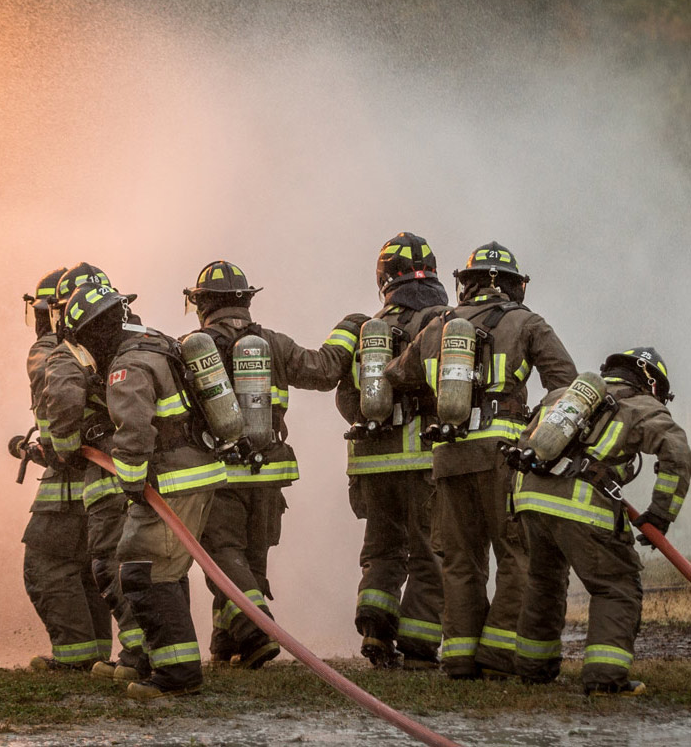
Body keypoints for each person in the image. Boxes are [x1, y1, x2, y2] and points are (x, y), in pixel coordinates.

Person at [385, 241, 577, 679]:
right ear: (514, 285)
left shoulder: (439, 327)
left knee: (459, 560)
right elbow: (564, 385)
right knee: (517, 555)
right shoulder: (527, 323)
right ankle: (497, 656)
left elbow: (397, 374)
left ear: (466, 284)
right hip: (504, 456)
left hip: (448, 456)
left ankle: (459, 657)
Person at [183, 260, 362, 669]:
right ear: (246, 300)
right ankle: (227, 644)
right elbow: (325, 371)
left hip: (219, 475)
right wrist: (350, 327)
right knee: (251, 559)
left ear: (203, 304)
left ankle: (256, 633)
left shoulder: (192, 349)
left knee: (223, 556)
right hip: (268, 473)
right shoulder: (274, 344)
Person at [61, 283, 227, 700]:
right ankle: (163, 663)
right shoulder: (158, 343)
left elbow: (135, 434)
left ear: (93, 333)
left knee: (142, 571)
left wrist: (133, 484)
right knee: (163, 572)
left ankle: (178, 675)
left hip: (172, 482)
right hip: (198, 473)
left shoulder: (126, 366)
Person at [511, 347, 690, 695]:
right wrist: (661, 514)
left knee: (543, 582)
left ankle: (534, 669)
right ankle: (605, 679)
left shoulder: (561, 397)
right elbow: (678, 453)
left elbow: (525, 445)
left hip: (530, 499)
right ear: (652, 383)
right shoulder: (642, 405)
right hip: (581, 504)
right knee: (616, 585)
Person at [335, 233, 448, 669]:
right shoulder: (443, 322)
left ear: (384, 277)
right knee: (429, 551)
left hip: (372, 463)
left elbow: (348, 400)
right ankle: (418, 647)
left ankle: (375, 629)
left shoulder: (368, 330)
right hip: (424, 458)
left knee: (383, 548)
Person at [43, 262, 146, 683]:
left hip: (107, 472)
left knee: (110, 562)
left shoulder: (72, 349)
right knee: (149, 564)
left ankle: (139, 654)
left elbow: (64, 399)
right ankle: (154, 652)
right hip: (147, 470)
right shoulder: (139, 337)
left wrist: (66, 449)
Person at [20, 268, 111, 671]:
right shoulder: (116, 341)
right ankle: (95, 655)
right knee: (91, 571)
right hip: (108, 482)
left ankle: (77, 657)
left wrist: (45, 336)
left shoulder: (57, 350)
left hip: (73, 486)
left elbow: (51, 396)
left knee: (46, 565)